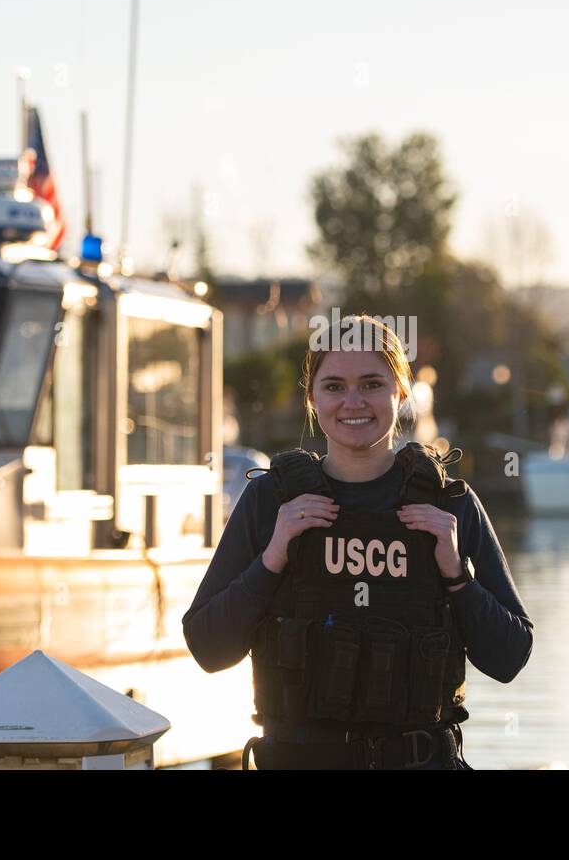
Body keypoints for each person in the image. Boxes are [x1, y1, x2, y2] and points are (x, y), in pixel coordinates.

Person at [183, 314, 533, 769]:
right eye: (333, 386)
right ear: (311, 396)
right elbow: (208, 648)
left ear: (400, 392)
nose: (353, 402)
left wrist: (456, 577)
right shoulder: (271, 501)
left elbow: (509, 658)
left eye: (371, 384)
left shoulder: (450, 507)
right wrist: (272, 558)